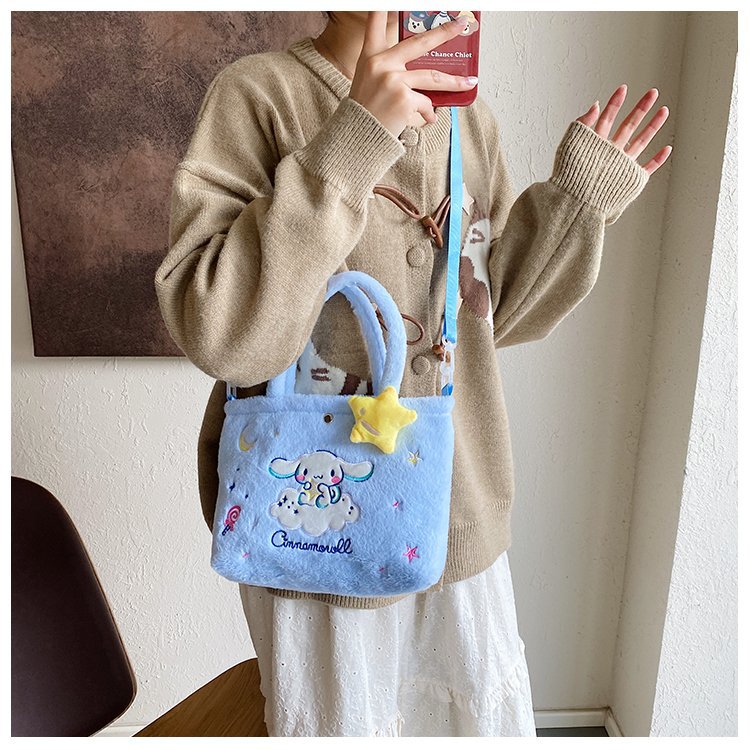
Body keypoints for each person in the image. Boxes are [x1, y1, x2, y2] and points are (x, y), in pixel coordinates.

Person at [154, 10, 671, 737]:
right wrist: (356, 136)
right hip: (314, 525)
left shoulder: (467, 119)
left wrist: (576, 204)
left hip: (455, 506)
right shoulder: (258, 96)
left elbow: (487, 317)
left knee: (469, 719)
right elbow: (224, 333)